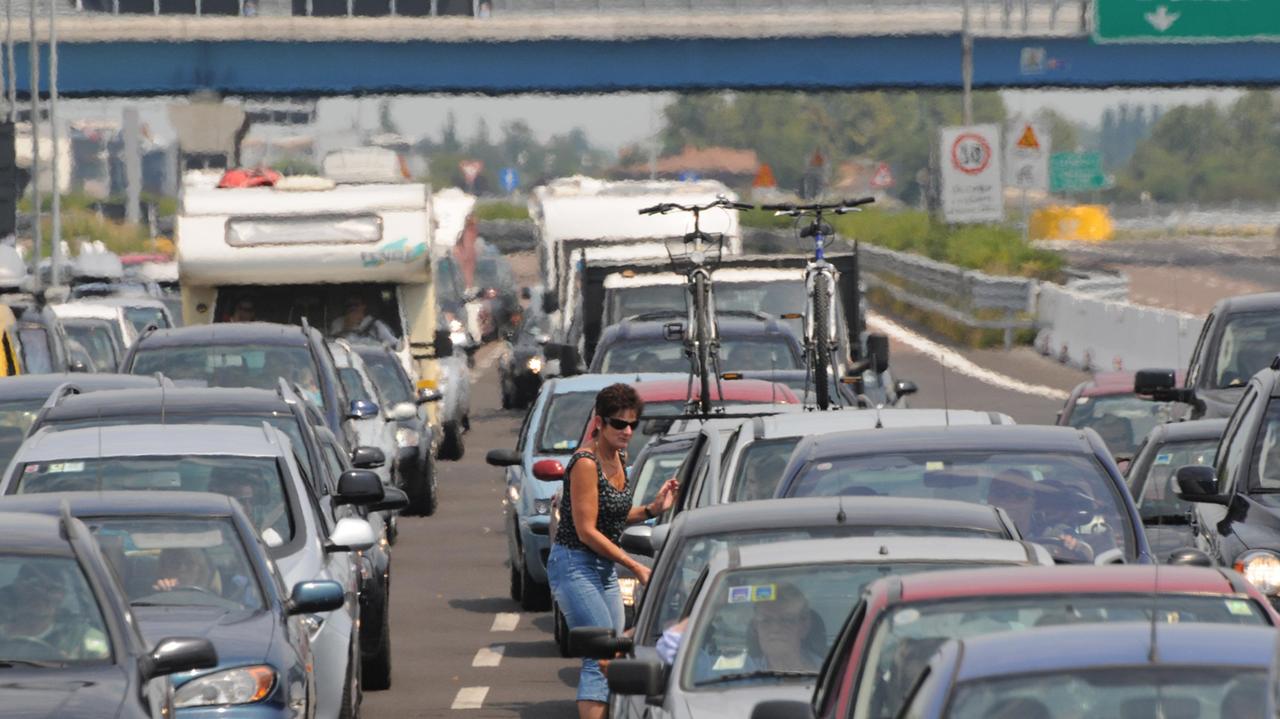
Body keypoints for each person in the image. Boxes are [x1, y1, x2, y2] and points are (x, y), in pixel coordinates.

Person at [548, 383, 679, 719]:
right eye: (618, 424)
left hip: (603, 568)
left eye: (632, 424)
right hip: (575, 565)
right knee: (600, 654)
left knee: (616, 654)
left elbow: (614, 516)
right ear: (600, 423)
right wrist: (634, 566)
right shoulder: (585, 463)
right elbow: (586, 530)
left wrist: (652, 508)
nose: (627, 431)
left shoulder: (619, 457)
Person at [330, 294, 398, 346]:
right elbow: (333, 342)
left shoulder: (376, 324)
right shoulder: (337, 323)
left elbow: (392, 342)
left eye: (356, 305)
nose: (352, 307)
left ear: (363, 306)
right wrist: (347, 326)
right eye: (349, 305)